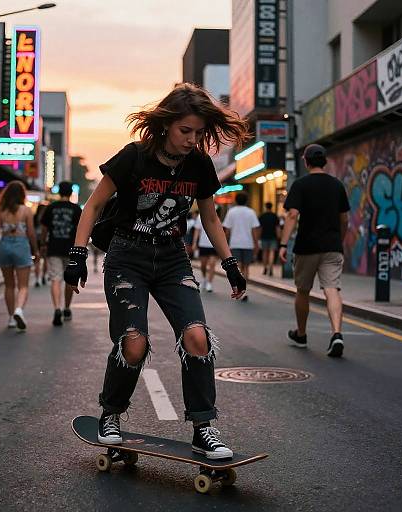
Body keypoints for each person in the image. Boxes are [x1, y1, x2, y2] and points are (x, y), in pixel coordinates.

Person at [64, 83, 249, 460]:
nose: (192, 139)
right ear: (166, 125)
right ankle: (111, 415)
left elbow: (210, 218)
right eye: (185, 131)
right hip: (126, 257)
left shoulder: (198, 163)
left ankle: (204, 428)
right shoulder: (134, 157)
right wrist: (77, 254)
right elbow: (93, 206)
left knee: (197, 337)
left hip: (171, 259)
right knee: (134, 343)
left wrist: (230, 264)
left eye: (198, 132)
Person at [279, 144, 350, 358]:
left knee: (302, 290)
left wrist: (283, 244)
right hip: (332, 246)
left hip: (307, 246)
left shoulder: (300, 184)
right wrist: (340, 240)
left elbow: (292, 215)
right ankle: (337, 333)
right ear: (325, 161)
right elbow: (344, 219)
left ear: (306, 161)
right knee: (332, 289)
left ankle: (301, 334)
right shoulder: (337, 185)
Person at [0, 181, 38, 331]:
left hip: (4, 246)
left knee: (9, 285)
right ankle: (19, 310)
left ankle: (10, 318)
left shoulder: (0, 210)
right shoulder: (26, 210)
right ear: (22, 194)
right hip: (21, 246)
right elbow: (31, 233)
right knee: (23, 286)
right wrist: (35, 250)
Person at [40, 181, 82, 326]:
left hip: (54, 248)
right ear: (71, 193)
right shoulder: (76, 209)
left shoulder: (51, 208)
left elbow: (44, 228)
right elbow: (80, 230)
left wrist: (43, 244)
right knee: (70, 280)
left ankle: (57, 308)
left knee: (55, 279)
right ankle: (67, 308)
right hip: (71, 250)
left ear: (59, 193)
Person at [222, 192, 260, 301]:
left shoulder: (231, 212)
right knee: (246, 267)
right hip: (248, 244)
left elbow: (227, 230)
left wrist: (225, 243)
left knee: (237, 268)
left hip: (235, 243)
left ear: (236, 200)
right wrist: (256, 243)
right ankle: (245, 290)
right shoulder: (251, 212)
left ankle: (239, 289)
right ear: (246, 200)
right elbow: (254, 230)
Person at [192, 213, 217, 292]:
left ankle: (209, 283)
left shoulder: (216, 215)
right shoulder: (200, 216)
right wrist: (194, 243)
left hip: (213, 244)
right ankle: (204, 278)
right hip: (203, 244)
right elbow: (197, 231)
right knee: (203, 265)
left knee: (212, 264)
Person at [258, 202, 280, 276]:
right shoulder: (274, 216)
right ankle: (271, 268)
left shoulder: (262, 216)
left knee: (264, 252)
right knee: (272, 252)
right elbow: (277, 228)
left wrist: (258, 236)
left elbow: (260, 228)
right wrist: (278, 236)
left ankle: (265, 268)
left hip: (264, 236)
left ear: (265, 207)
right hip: (273, 237)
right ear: (271, 207)